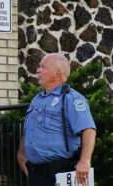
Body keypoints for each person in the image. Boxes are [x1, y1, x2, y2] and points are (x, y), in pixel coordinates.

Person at [17, 53, 96, 186]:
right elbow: (30, 129)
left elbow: (88, 130)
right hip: (36, 173)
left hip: (60, 171)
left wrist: (84, 161)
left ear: (57, 73)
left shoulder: (71, 98)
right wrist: (22, 154)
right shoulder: (37, 99)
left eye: (43, 67)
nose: (38, 70)